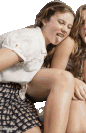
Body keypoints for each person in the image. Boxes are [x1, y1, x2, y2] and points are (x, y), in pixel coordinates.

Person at [0, 1, 75, 133]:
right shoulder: (32, 40)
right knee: (65, 78)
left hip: (17, 96)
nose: (65, 29)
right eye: (61, 22)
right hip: (4, 94)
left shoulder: (40, 45)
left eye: (69, 26)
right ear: (45, 20)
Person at [47, 4, 86, 133]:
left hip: (79, 90)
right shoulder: (70, 43)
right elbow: (55, 75)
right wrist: (75, 81)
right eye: (81, 23)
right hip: (61, 89)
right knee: (78, 99)